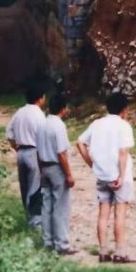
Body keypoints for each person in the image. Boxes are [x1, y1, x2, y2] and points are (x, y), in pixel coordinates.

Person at [77, 92, 136, 264]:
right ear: (124, 109)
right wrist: (121, 175)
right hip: (120, 177)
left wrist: (92, 164)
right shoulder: (124, 126)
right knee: (120, 214)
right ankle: (120, 252)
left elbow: (80, 142)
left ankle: (103, 251)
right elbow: (123, 152)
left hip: (102, 175)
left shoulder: (97, 124)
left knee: (103, 213)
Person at [36, 93, 77, 255]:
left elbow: (38, 150)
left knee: (46, 205)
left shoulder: (43, 124)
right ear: (63, 109)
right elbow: (61, 153)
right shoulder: (59, 126)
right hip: (56, 167)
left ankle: (48, 241)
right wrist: (69, 174)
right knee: (61, 205)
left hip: (44, 166)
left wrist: (40, 169)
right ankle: (62, 243)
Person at [5, 85, 46, 229]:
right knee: (35, 187)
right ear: (40, 99)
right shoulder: (39, 115)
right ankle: (35, 222)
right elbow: (42, 138)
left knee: (24, 186)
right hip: (33, 151)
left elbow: (9, 132)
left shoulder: (19, 112)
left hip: (21, 152)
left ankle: (28, 216)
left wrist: (15, 146)